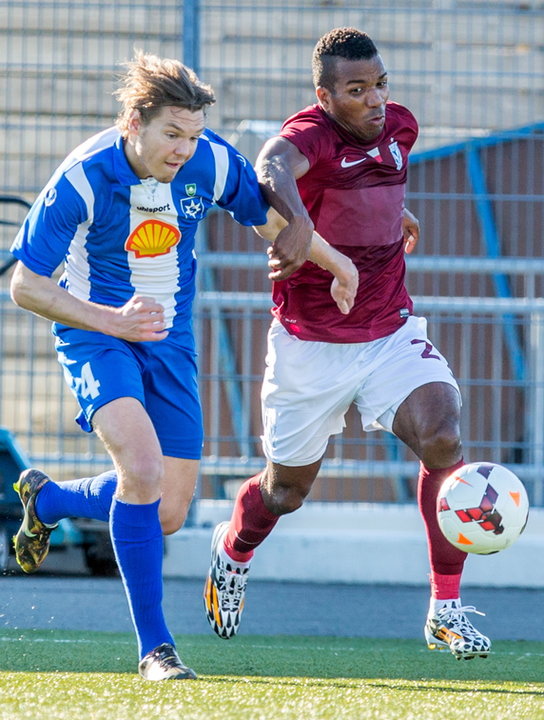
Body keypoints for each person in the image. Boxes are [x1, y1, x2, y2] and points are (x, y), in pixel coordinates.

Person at [10, 50, 357, 681]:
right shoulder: (84, 178)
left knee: (167, 511)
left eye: (192, 134)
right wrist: (109, 321)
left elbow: (275, 221)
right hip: (97, 335)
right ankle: (156, 651)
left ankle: (51, 498)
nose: (183, 148)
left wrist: (339, 265)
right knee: (139, 471)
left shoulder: (212, 160)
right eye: (172, 133)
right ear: (133, 123)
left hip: (170, 343)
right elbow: (27, 287)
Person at [203, 27, 491, 661]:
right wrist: (301, 230)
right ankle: (234, 549)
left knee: (443, 436)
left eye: (380, 84)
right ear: (325, 96)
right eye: (356, 90)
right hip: (310, 347)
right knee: (286, 493)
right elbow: (272, 163)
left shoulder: (401, 128)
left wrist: (397, 214)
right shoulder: (310, 136)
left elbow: (376, 186)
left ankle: (444, 611)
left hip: (390, 332)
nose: (375, 99)